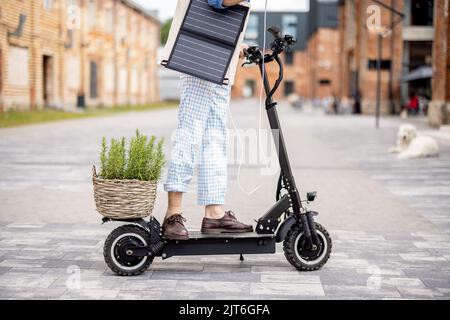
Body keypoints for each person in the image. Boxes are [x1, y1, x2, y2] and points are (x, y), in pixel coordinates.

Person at [161, 0, 252, 240]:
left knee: (215, 140)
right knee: (189, 135)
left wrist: (236, 43)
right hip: (200, 60)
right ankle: (173, 212)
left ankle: (213, 212)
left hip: (220, 64)